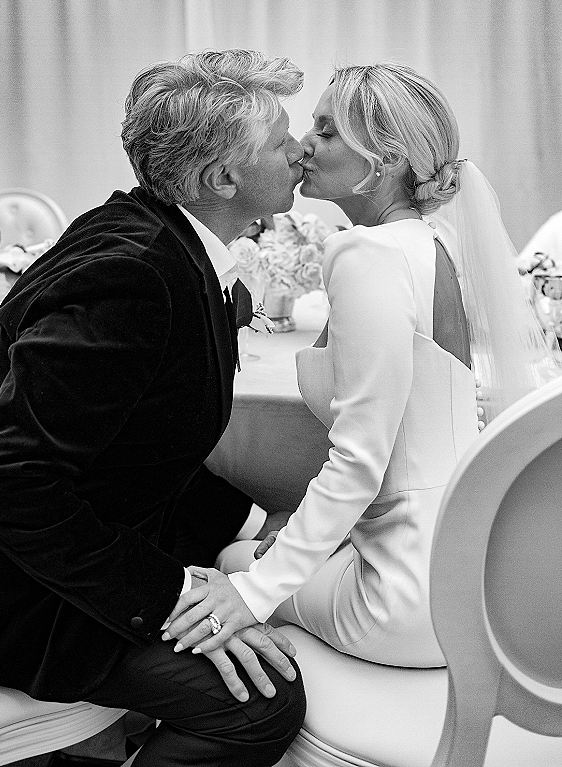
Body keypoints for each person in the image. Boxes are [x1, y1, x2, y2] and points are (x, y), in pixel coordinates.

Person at [165, 62, 554, 669]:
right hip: (469, 574)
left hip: (405, 595)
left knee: (232, 561)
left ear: (389, 158)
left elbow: (361, 460)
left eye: (325, 130)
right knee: (276, 539)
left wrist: (253, 590)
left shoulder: (367, 253)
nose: (302, 147)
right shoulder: (433, 243)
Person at [0, 49, 307, 767]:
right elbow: (16, 480)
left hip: (91, 549)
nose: (300, 148)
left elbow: (138, 448)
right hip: (28, 598)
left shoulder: (158, 237)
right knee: (260, 705)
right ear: (222, 178)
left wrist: (255, 523)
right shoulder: (131, 276)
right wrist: (168, 598)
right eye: (281, 137)